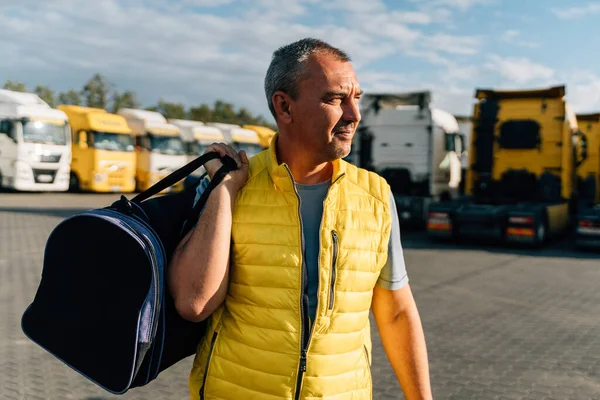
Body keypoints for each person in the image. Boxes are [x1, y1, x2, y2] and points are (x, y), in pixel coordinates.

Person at [168, 38, 433, 400]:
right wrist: (225, 191)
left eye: (357, 98)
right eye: (336, 99)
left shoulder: (375, 195)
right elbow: (194, 302)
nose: (354, 115)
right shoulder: (230, 185)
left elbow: (397, 313)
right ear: (284, 106)